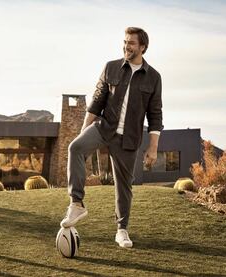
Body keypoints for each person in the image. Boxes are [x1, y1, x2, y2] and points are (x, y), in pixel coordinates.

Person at [60, 27, 163, 248]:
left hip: (129, 138)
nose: (126, 46)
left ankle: (122, 230)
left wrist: (153, 147)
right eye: (125, 42)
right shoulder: (111, 67)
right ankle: (76, 203)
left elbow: (155, 115)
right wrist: (84, 130)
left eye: (131, 43)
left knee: (123, 186)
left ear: (143, 47)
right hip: (104, 127)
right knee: (75, 147)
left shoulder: (154, 77)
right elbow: (97, 100)